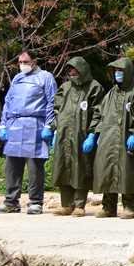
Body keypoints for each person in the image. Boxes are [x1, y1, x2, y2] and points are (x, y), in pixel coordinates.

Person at [0, 50, 57, 215]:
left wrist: (49, 125)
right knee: (11, 165)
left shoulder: (46, 77)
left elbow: (52, 101)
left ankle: (35, 201)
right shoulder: (17, 78)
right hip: (15, 124)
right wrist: (3, 125)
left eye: (25, 61)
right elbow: (8, 102)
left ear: (34, 61)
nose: (22, 64)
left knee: (35, 166)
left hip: (35, 123)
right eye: (20, 61)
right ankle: (11, 201)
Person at [88, 57, 134, 218]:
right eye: (115, 71)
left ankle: (129, 206)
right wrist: (96, 134)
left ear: (128, 72)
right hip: (109, 139)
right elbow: (101, 114)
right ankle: (108, 206)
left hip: (127, 138)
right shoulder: (111, 93)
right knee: (107, 170)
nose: (117, 74)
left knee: (128, 171)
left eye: (120, 71)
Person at [50, 57, 104, 217]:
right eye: (70, 70)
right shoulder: (65, 88)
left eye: (75, 70)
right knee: (63, 168)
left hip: (82, 136)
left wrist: (93, 134)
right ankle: (66, 204)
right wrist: (54, 129)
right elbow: (56, 109)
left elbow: (98, 113)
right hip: (64, 135)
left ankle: (80, 205)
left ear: (83, 70)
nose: (72, 73)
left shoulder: (94, 87)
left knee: (82, 168)